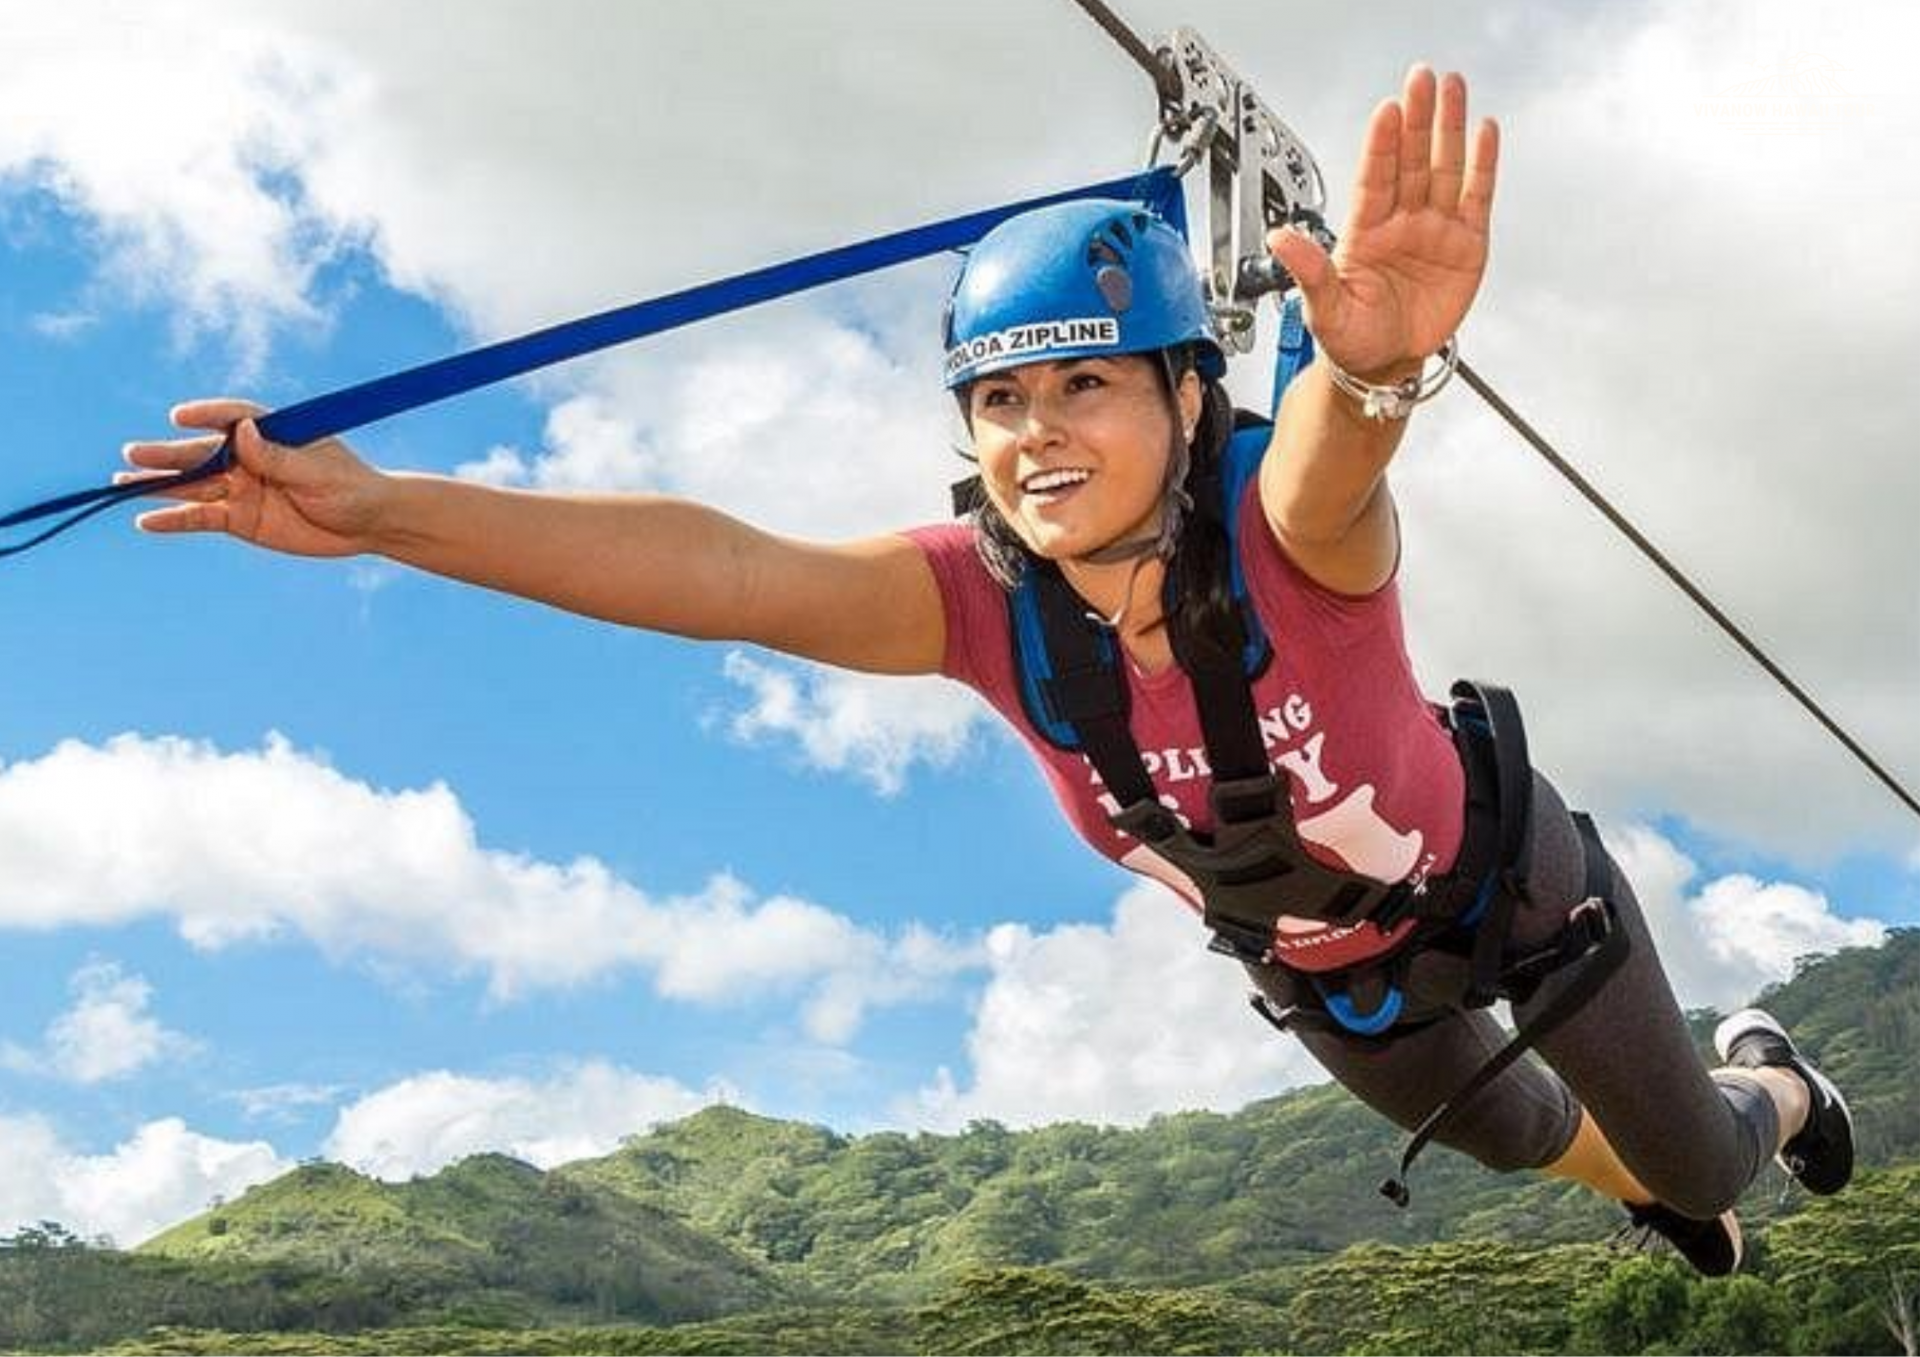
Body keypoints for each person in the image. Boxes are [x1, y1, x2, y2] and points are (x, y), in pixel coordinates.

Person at [120, 65, 1850, 1276]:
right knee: (1510, 1134)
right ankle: (1649, 1181)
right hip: (1326, 961)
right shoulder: (975, 605)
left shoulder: (1285, 528)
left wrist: (1378, 373)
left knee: (1703, 1149)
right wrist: (380, 514)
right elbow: (720, 572)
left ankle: (1768, 1074)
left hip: (1509, 889)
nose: (1038, 434)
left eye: (1087, 386)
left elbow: (1336, 450)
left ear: (1188, 395)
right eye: (1002, 400)